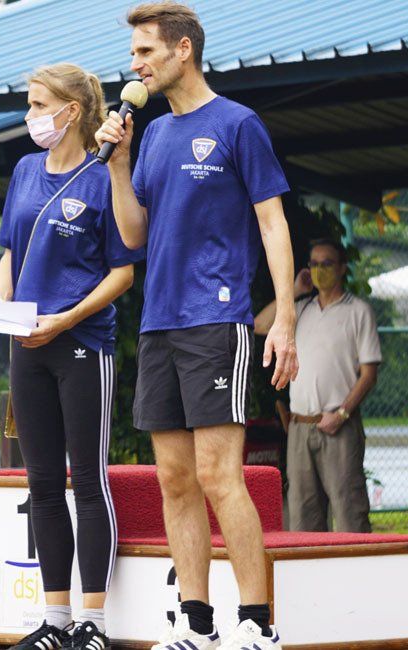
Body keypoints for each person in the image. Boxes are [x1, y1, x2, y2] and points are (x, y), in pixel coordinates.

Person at [96, 4, 298, 648]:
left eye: (146, 51)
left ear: (183, 51)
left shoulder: (239, 124)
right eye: (133, 53)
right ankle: (197, 626)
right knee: (174, 479)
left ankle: (256, 625)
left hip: (219, 320)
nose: (135, 64)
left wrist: (285, 319)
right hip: (159, 323)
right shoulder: (150, 135)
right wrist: (119, 165)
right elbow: (134, 236)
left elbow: (273, 223)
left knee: (219, 476)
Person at [0, 63, 143, 650]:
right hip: (24, 346)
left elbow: (124, 270)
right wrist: (5, 307)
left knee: (86, 479)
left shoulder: (102, 173)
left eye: (38, 105)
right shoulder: (25, 169)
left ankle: (94, 623)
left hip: (82, 344)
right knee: (40, 484)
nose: (30, 116)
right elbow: (11, 250)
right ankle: (54, 621)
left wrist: (66, 317)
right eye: (29, 105)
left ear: (72, 110)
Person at [255, 238, 381, 533]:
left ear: (342, 268)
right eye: (313, 264)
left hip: (339, 423)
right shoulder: (300, 309)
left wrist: (343, 414)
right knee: (302, 515)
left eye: (326, 263)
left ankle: (356, 578)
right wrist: (295, 290)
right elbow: (260, 325)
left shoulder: (358, 311)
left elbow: (369, 373)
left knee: (349, 512)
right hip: (299, 426)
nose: (319, 269)